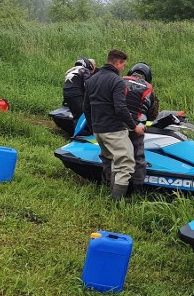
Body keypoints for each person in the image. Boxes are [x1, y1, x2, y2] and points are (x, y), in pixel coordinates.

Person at [82, 49, 143, 200]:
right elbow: (120, 108)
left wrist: (92, 127)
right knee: (126, 164)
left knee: (113, 161)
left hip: (98, 130)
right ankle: (117, 201)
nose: (123, 68)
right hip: (114, 130)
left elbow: (86, 107)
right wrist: (134, 126)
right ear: (117, 62)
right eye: (123, 65)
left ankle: (112, 193)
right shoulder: (117, 82)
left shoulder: (92, 80)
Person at [123, 62, 159, 192]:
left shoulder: (120, 81)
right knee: (138, 157)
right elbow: (153, 114)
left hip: (117, 123)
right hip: (137, 126)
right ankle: (136, 189)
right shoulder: (149, 88)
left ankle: (111, 183)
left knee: (115, 154)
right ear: (147, 76)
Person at [62, 56, 96, 120]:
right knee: (82, 115)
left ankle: (74, 128)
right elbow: (87, 84)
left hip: (66, 94)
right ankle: (85, 130)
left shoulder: (70, 71)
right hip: (76, 94)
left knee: (75, 115)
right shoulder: (84, 70)